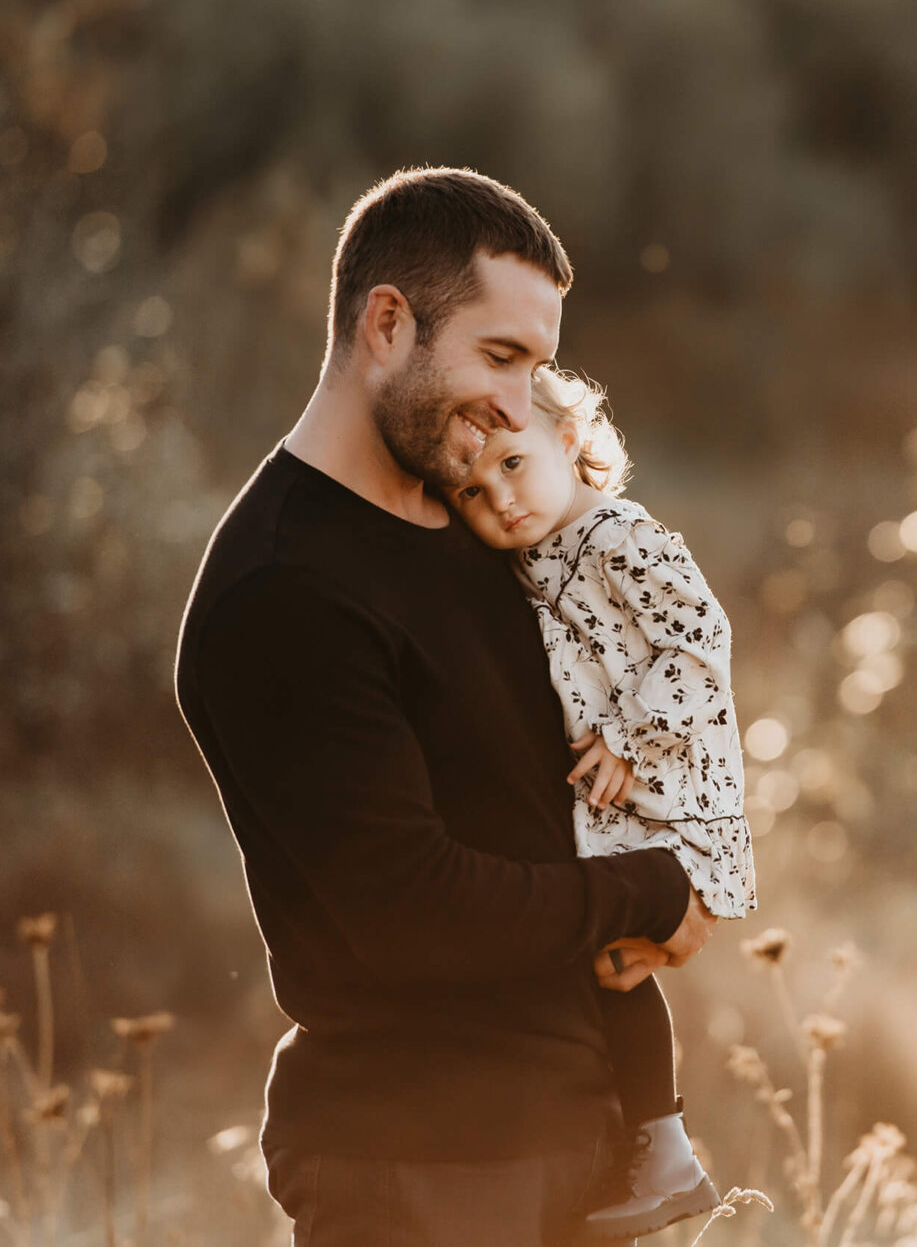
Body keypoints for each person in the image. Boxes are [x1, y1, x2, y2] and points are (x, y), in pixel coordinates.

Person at [174, 166, 716, 1246]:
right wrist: (647, 888)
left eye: (538, 365)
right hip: (422, 1173)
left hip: (579, 1143)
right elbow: (407, 912)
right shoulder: (282, 590)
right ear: (386, 323)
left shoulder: (474, 515)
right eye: (500, 355)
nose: (520, 403)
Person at [449, 366, 757, 1239]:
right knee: (610, 972)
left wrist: (628, 734)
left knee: (618, 964)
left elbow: (701, 643)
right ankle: (655, 1145)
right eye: (472, 490)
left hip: (669, 796)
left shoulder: (618, 535)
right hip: (624, 801)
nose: (499, 500)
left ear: (571, 443)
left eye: (512, 464)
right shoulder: (543, 554)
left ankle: (665, 1150)